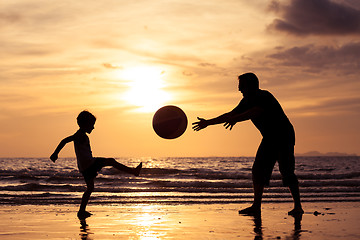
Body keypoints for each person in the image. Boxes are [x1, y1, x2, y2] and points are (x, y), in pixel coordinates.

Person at [192, 73, 303, 216]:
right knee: (258, 170)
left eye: (241, 87)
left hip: (283, 135)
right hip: (269, 138)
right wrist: (208, 122)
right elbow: (230, 115)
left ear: (251, 85)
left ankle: (298, 207)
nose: (239, 90)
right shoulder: (245, 101)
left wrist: (236, 119)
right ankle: (256, 206)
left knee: (286, 171)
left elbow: (255, 112)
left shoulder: (264, 96)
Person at [50, 110, 142, 219]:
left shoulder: (81, 135)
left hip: (84, 167)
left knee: (90, 188)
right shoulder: (79, 135)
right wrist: (55, 153)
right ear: (85, 124)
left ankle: (81, 211)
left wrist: (56, 153)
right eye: (92, 125)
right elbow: (64, 140)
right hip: (90, 163)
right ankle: (133, 171)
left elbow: (65, 141)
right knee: (111, 161)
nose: (93, 128)